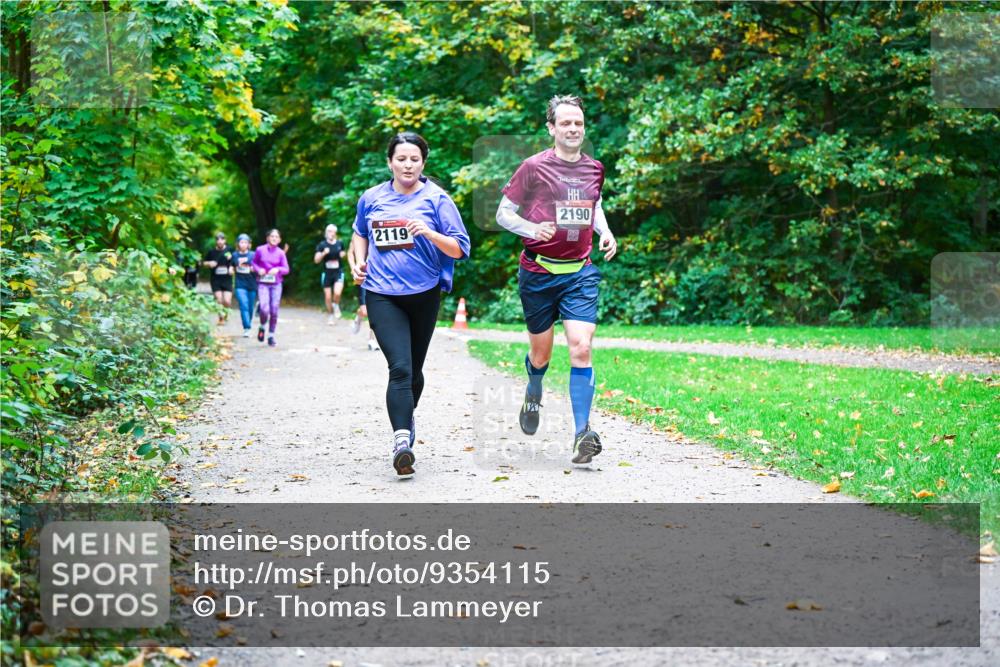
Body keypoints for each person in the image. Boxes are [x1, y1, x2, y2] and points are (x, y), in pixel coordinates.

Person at [494, 95, 618, 465]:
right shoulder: (532, 168)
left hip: (579, 272)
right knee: (541, 353)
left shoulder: (594, 169)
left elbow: (594, 205)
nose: (573, 129)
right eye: (565, 123)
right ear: (551, 128)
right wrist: (533, 228)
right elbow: (503, 214)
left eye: (578, 123)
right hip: (537, 272)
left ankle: (583, 433)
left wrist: (605, 232)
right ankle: (534, 388)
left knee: (581, 346)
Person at [348, 132, 470, 477]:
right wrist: (357, 261)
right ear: (390, 162)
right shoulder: (371, 198)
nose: (407, 164)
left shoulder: (438, 199)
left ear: (423, 163)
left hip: (424, 294)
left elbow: (460, 248)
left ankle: (405, 416)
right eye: (401, 158)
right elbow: (359, 233)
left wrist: (429, 233)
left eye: (414, 159)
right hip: (381, 293)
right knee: (399, 368)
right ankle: (402, 442)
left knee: (414, 371)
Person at [252, 228, 290, 347]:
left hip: (276, 284)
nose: (274, 238)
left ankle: (271, 335)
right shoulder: (260, 250)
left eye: (276, 237)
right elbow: (253, 263)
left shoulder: (281, 253)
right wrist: (259, 270)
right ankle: (262, 326)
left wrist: (277, 269)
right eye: (272, 236)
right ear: (267, 238)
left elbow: (286, 269)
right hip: (263, 283)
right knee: (264, 309)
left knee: (274, 309)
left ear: (279, 240)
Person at [314, 224, 346, 324]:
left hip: (338, 272)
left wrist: (343, 255)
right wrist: (323, 253)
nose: (331, 233)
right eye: (329, 231)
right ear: (326, 233)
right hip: (327, 273)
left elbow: (344, 254)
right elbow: (316, 260)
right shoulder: (322, 245)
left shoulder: (340, 243)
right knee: (328, 297)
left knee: (337, 293)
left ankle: (336, 305)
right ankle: (331, 315)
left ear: (335, 233)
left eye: (333, 231)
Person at [203, 232, 233, 324]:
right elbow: (203, 263)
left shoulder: (229, 250)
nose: (220, 241)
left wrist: (231, 265)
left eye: (222, 239)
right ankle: (221, 318)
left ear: (225, 240)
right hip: (215, 279)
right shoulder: (211, 252)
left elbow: (235, 261)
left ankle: (226, 312)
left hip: (227, 279)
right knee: (219, 300)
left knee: (227, 301)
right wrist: (209, 263)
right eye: (218, 239)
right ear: (215, 241)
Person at [231, 233, 257, 337]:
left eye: (245, 242)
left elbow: (259, 267)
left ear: (249, 244)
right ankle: (246, 327)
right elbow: (231, 266)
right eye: (241, 242)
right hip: (240, 284)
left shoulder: (253, 255)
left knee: (250, 307)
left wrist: (254, 269)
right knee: (243, 305)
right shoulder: (234, 255)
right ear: (238, 244)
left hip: (252, 284)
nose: (243, 244)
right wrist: (230, 270)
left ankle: (248, 324)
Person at [351, 285, 380, 351]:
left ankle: (371, 340)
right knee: (365, 312)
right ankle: (359, 316)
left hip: (378, 285)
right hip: (364, 284)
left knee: (375, 312)